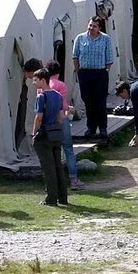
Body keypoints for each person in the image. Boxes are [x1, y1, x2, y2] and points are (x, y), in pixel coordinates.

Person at [71, 16, 116, 139]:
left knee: (100, 101)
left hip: (100, 73)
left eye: (94, 26)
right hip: (85, 73)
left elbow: (109, 58)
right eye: (90, 25)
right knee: (88, 101)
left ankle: (102, 128)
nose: (91, 28)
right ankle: (91, 127)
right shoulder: (80, 38)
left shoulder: (105, 39)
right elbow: (75, 56)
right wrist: (78, 71)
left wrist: (106, 71)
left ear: (99, 28)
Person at [30, 70, 69, 206]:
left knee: (48, 168)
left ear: (43, 80)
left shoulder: (41, 97)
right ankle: (63, 197)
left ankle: (51, 198)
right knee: (58, 166)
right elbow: (61, 117)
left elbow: (39, 117)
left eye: (35, 80)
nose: (34, 83)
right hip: (56, 134)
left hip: (44, 134)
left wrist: (34, 133)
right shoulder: (58, 96)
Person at [44, 59, 81, 190]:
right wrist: (70, 108)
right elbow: (62, 104)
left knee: (52, 150)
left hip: (48, 121)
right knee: (68, 149)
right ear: (58, 72)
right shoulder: (61, 85)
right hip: (62, 118)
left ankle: (55, 181)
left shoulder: (44, 86)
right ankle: (74, 179)